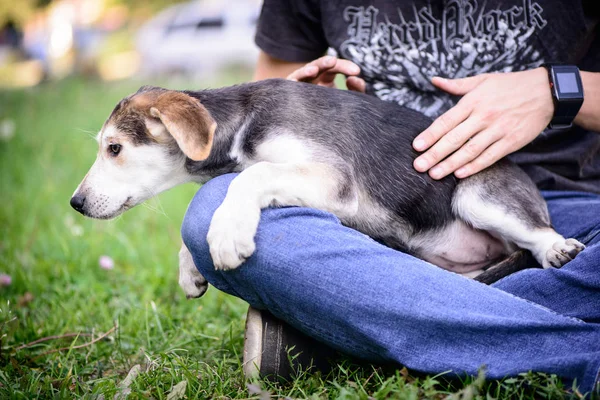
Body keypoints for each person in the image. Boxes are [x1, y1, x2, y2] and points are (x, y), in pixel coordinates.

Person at [181, 0, 600, 393]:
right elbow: (273, 79)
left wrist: (557, 91)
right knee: (213, 213)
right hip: (371, 214)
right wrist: (309, 112)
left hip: (565, 205)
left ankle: (354, 325)